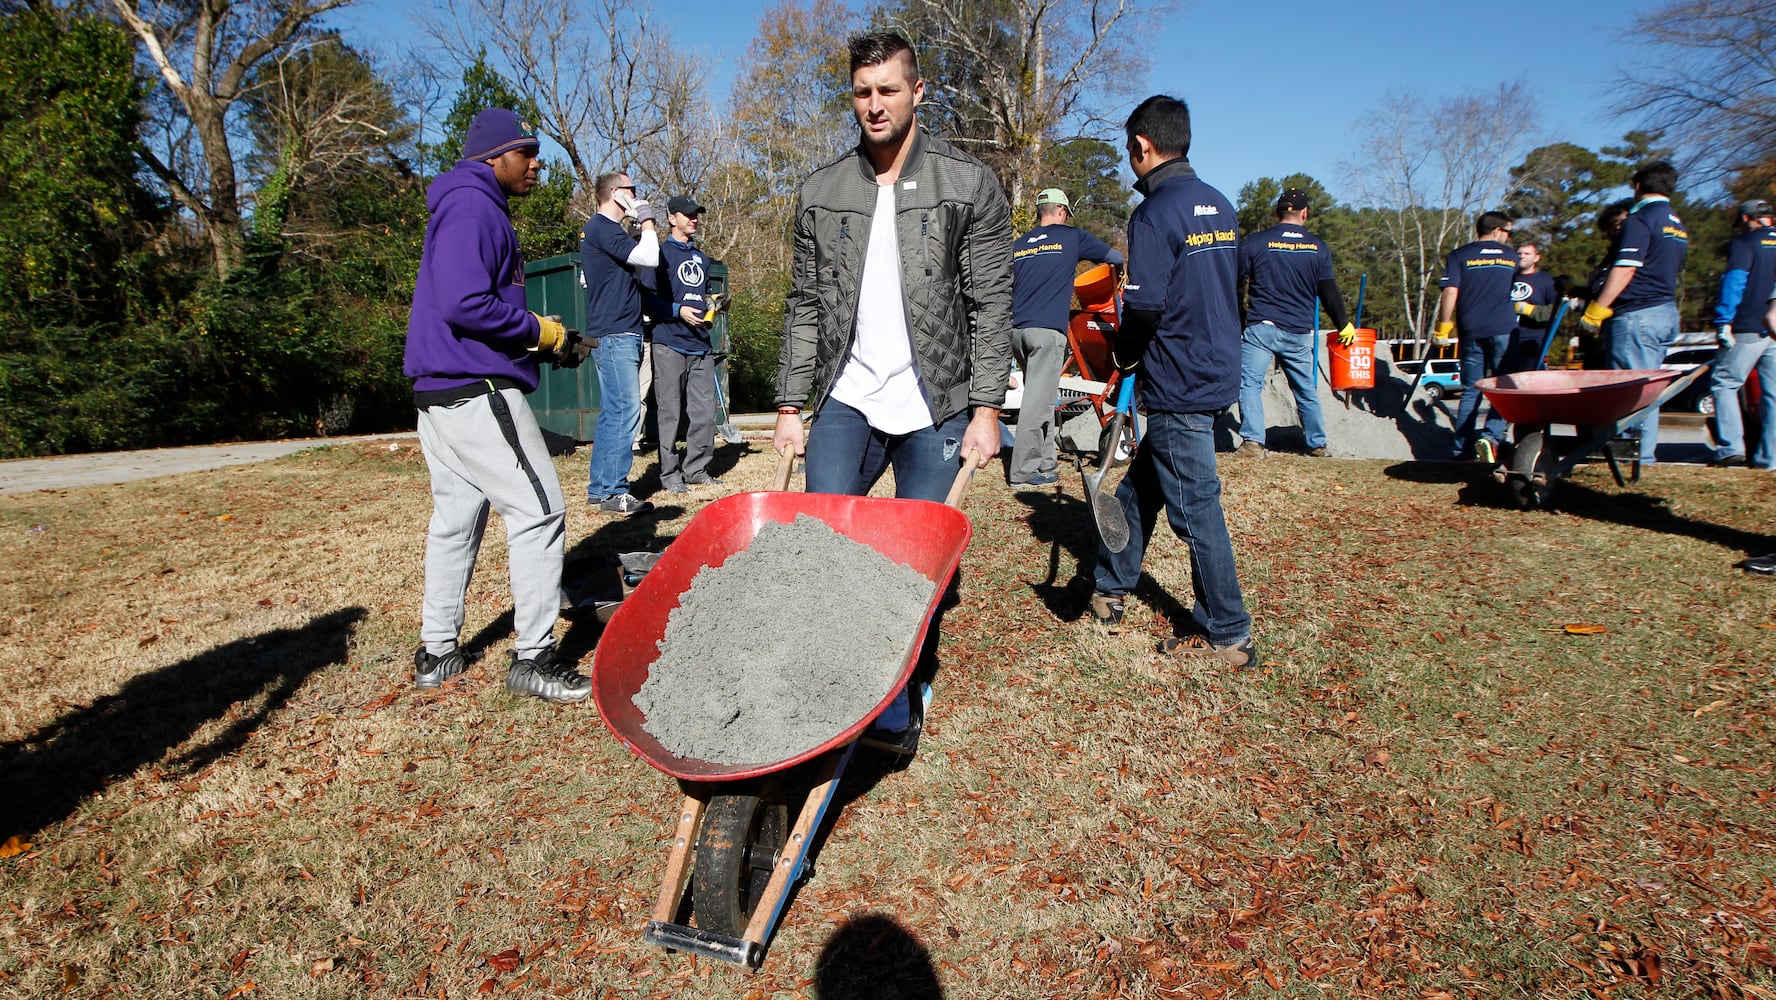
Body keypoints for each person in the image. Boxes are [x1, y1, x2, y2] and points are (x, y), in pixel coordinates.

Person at [773, 31, 1013, 744]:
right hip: (847, 393)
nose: (874, 106)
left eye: (887, 90)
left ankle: (894, 696)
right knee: (824, 545)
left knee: (913, 564)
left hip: (934, 401)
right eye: (862, 92)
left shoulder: (967, 184)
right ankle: (828, 676)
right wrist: (790, 405)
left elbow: (991, 302)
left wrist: (986, 409)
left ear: (917, 92)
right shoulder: (823, 190)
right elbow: (806, 303)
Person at [403, 108, 591, 704]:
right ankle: (534, 658)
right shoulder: (474, 205)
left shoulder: (463, 202)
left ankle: (437, 652)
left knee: (455, 522)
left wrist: (541, 339)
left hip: (438, 391)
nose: (537, 164)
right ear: (494, 158)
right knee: (540, 510)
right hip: (474, 386)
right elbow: (465, 303)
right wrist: (541, 331)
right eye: (527, 152)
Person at [1086, 94, 1254, 668]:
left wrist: (1125, 361)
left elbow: (1147, 307)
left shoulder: (1154, 213)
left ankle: (1227, 633)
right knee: (1140, 489)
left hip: (1177, 376)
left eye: (1128, 149)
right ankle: (1112, 586)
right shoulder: (1220, 204)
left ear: (1142, 146)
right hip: (1214, 366)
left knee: (1195, 506)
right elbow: (1235, 293)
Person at [1007, 187, 1123, 486]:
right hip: (1047, 331)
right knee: (1037, 403)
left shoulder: (1019, 245)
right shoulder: (1072, 237)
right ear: (1062, 212)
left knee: (1042, 398)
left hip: (1017, 331)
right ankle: (1022, 471)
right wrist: (1122, 270)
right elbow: (1113, 256)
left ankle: (1045, 462)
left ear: (1040, 212)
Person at [1578, 161, 1690, 466]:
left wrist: (1597, 310)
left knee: (1631, 393)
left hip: (1637, 314)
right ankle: (1640, 456)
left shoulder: (1640, 219)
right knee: (1648, 388)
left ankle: (1635, 458)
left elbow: (1626, 268)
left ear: (1638, 187)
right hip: (1664, 311)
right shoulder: (1676, 224)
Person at [1234, 187, 1354, 458]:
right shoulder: (1317, 247)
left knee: (1250, 384)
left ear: (1278, 212)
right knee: (1304, 389)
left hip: (1261, 327)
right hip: (1298, 331)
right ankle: (1317, 444)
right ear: (1305, 213)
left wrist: (1239, 318)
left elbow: (1237, 283)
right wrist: (1343, 323)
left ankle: (1253, 442)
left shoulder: (1255, 242)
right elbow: (1329, 291)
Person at [581, 170, 661, 515]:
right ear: (616, 193)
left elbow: (644, 271)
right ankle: (614, 491)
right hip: (616, 332)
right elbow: (650, 258)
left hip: (616, 330)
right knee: (627, 410)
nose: (638, 195)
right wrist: (646, 221)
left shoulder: (607, 231)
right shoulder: (602, 227)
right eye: (632, 190)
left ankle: (600, 488)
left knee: (613, 412)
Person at [644, 195, 722, 492]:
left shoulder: (702, 258)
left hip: (701, 345)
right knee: (670, 413)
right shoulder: (659, 254)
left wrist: (713, 303)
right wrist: (678, 311)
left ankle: (697, 469)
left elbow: (700, 294)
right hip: (669, 343)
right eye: (687, 215)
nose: (694, 219)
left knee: (703, 412)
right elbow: (647, 299)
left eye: (696, 215)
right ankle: (670, 475)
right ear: (671, 218)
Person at [1434, 212, 1519, 464]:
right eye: (1508, 232)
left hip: (1470, 329)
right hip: (1503, 328)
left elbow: (1450, 292)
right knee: (1503, 387)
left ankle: (1461, 449)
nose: (1508, 237)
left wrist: (1443, 327)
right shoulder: (1512, 258)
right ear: (1496, 231)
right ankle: (1491, 439)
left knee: (1471, 390)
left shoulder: (1460, 256)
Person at [1706, 199, 1776, 468]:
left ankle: (1730, 448)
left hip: (1748, 325)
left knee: (1725, 382)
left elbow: (1735, 280)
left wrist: (1724, 321)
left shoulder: (1746, 243)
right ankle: (1769, 459)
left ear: (1748, 218)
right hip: (1775, 329)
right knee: (1772, 395)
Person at [1577, 199, 1634, 370]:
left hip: (1620, 326)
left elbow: (1622, 285)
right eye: (1611, 224)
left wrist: (1596, 314)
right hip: (1597, 337)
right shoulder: (1609, 258)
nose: (1615, 228)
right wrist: (1575, 290)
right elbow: (1600, 290)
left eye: (1621, 223)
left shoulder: (1632, 256)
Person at [1505, 242, 1559, 371]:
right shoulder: (1506, 278)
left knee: (1529, 377)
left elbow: (1557, 311)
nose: (1522, 256)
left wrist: (1530, 310)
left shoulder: (1547, 280)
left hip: (1533, 339)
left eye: (1527, 253)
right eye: (1519, 253)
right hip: (1505, 336)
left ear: (1536, 258)